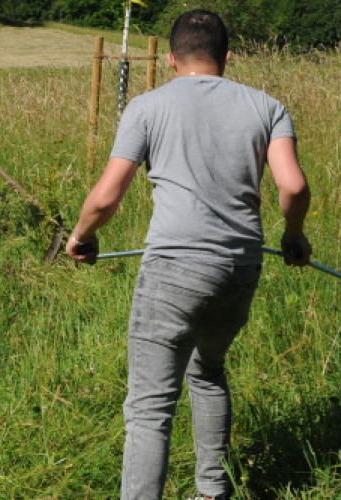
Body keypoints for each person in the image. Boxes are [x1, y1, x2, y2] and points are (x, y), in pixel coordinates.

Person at [66, 10, 312, 499]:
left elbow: (106, 196)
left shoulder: (147, 105)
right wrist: (293, 235)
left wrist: (82, 235)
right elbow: (293, 185)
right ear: (227, 57)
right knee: (208, 371)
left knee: (150, 408)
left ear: (172, 59)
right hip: (241, 267)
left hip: (174, 271)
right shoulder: (267, 106)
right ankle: (211, 490)